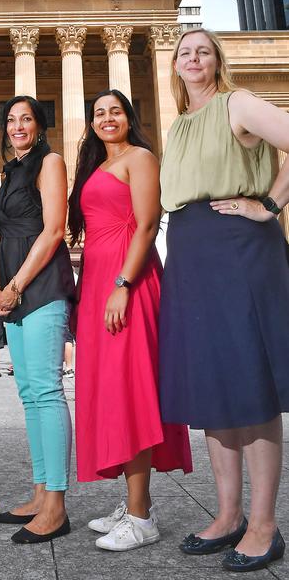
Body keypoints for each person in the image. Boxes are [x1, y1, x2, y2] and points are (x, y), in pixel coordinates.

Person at [159, 28, 289, 573]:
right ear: (176, 65)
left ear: (217, 60)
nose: (193, 58)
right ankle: (228, 515)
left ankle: (263, 524)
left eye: (203, 51)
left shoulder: (238, 102)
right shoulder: (181, 124)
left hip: (239, 247)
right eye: (185, 51)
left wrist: (271, 205)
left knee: (249, 381)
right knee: (212, 381)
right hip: (192, 252)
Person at [68, 89, 192, 552]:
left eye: (115, 111)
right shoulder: (97, 166)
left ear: (129, 116)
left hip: (129, 282)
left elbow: (145, 223)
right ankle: (133, 502)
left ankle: (141, 517)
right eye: (98, 113)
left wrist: (122, 283)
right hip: (101, 281)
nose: (107, 118)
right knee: (114, 392)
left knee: (132, 392)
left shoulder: (140, 157)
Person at [0, 95, 75, 545]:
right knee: (29, 394)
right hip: (13, 288)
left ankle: (57, 506)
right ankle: (41, 493)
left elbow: (55, 229)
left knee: (46, 390)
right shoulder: (11, 170)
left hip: (40, 285)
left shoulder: (51, 161)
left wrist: (17, 284)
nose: (18, 126)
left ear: (40, 126)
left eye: (26, 119)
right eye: (12, 120)